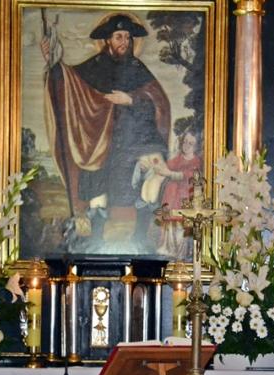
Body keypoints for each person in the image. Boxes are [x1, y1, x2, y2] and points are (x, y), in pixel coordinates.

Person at [42, 13, 175, 252]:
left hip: (133, 143)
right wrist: (52, 63)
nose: (124, 41)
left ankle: (140, 239)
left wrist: (130, 99)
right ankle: (94, 242)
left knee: (149, 182)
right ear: (107, 40)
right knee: (97, 190)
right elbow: (69, 83)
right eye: (118, 36)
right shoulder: (94, 66)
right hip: (99, 143)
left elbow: (159, 103)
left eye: (127, 37)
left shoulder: (137, 68)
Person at [156, 130, 202, 258]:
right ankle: (168, 249)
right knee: (169, 224)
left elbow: (187, 175)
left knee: (181, 227)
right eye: (185, 142)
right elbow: (166, 166)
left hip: (185, 198)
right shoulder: (178, 158)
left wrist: (170, 173)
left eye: (190, 143)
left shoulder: (196, 162)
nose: (186, 145)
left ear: (196, 146)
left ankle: (180, 254)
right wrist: (158, 166)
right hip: (171, 197)